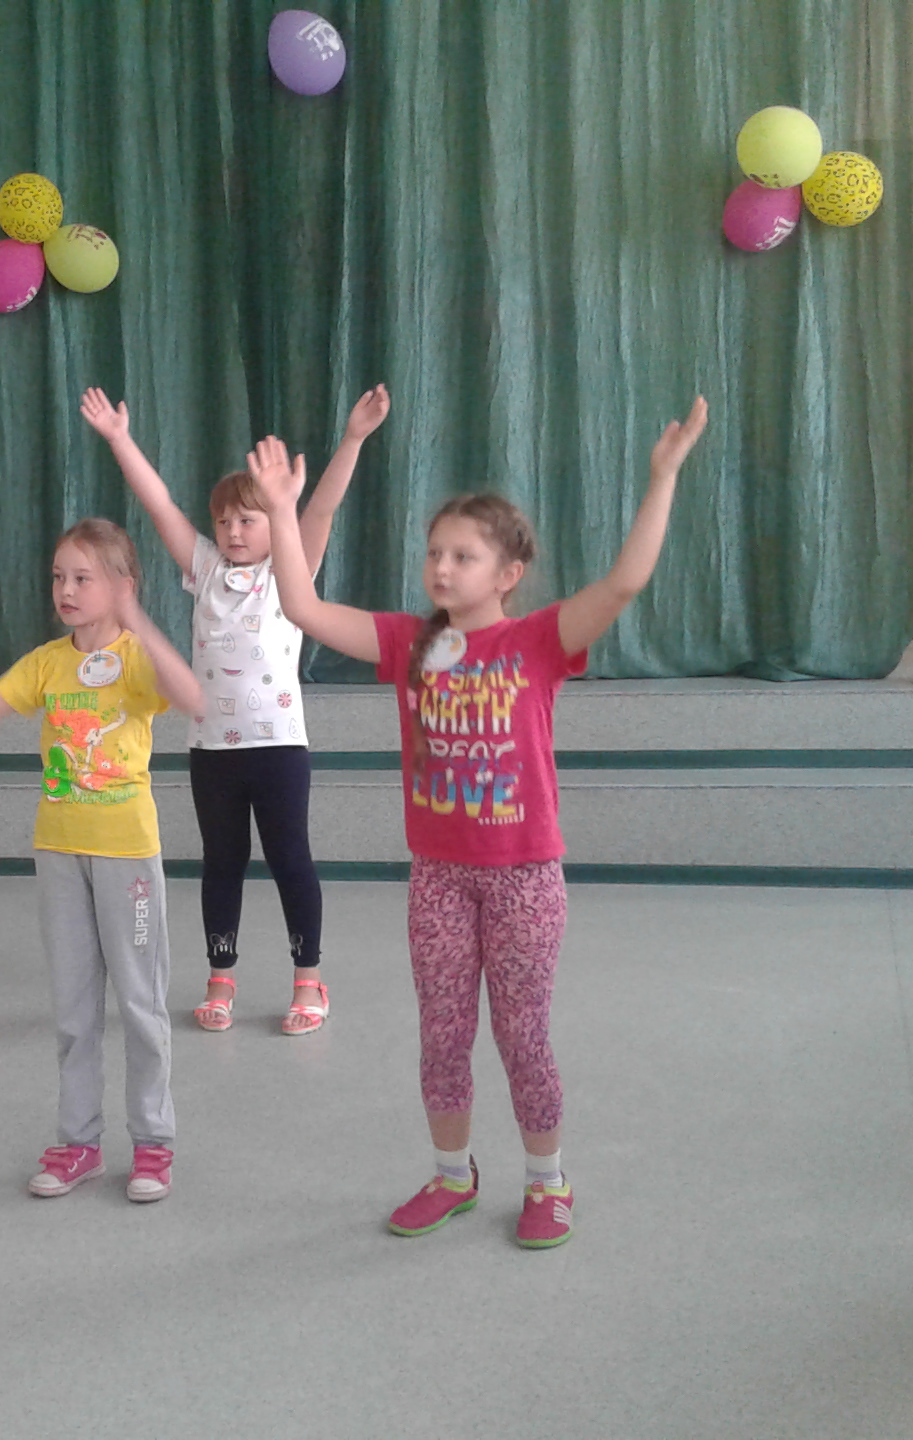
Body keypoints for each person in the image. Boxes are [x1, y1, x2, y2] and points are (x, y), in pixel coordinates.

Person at [254, 397, 709, 1248]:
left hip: (525, 877)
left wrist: (664, 477)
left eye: (463, 555)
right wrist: (282, 512)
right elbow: (305, 610)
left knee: (522, 1034)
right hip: (440, 875)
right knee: (443, 1034)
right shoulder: (409, 642)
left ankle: (548, 1180)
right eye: (434, 552)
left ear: (508, 572)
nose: (442, 567)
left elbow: (624, 583)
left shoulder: (537, 642)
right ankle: (452, 1174)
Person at [80, 384, 390, 1035]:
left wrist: (354, 438)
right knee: (221, 862)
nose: (233, 531)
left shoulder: (289, 571)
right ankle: (220, 977)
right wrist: (119, 439)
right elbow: (159, 504)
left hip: (279, 748)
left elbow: (323, 507)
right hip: (213, 751)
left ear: (273, 525)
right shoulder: (205, 569)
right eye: (224, 521)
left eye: (248, 520)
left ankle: (309, 980)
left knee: (290, 860)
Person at [0, 519, 204, 1202]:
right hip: (58, 852)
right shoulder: (47, 663)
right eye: (59, 576)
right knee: (75, 1009)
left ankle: (153, 1143)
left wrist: (137, 618)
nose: (66, 589)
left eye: (83, 577)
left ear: (121, 585)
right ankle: (79, 1141)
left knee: (140, 1004)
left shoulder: (137, 659)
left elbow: (195, 698)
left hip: (126, 854)